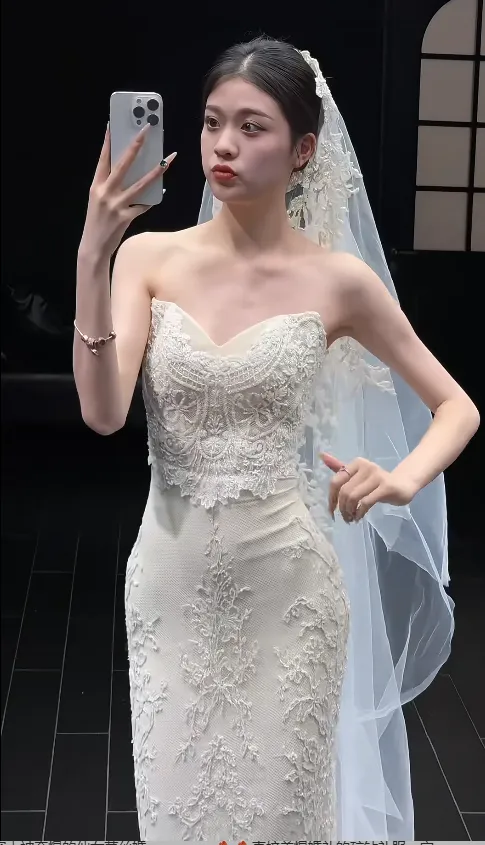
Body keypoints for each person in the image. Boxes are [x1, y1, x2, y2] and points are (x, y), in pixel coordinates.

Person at [73, 36, 479, 841]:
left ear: (302, 150)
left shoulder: (339, 281)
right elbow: (104, 412)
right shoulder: (147, 257)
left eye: (251, 127)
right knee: (178, 817)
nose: (223, 145)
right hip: (169, 585)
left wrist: (398, 479)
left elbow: (456, 406)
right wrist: (94, 250)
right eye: (212, 122)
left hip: (290, 593)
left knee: (281, 817)